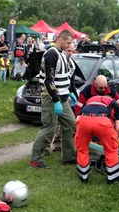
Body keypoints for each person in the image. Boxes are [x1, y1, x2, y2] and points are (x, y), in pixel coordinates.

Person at [29, 30, 77, 168]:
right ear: (60, 39)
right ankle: (35, 159)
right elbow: (48, 81)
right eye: (68, 42)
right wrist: (55, 100)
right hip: (51, 98)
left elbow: (65, 77)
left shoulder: (62, 54)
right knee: (49, 128)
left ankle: (68, 157)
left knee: (70, 125)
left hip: (62, 97)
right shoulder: (51, 54)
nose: (69, 46)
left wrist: (69, 92)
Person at [75, 93, 119, 184]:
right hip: (102, 120)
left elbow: (77, 118)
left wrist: (87, 133)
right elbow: (118, 127)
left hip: (83, 120)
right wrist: (114, 139)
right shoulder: (113, 103)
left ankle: (83, 177)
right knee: (111, 150)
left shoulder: (89, 101)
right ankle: (113, 179)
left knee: (82, 149)